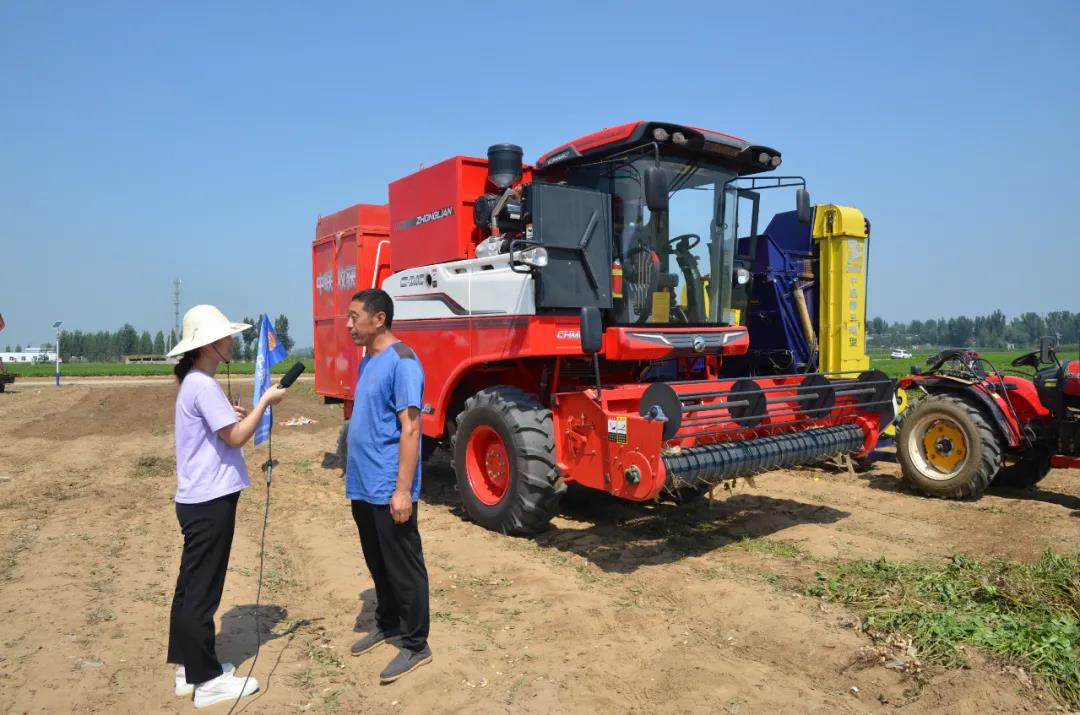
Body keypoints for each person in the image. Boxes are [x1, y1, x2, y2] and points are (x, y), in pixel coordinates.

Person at [165, 305, 288, 708]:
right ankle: (206, 681)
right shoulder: (202, 385)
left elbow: (222, 430)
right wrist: (265, 401)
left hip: (197, 499)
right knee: (202, 593)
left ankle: (186, 667)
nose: (232, 341)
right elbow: (235, 437)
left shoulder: (197, 383)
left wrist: (243, 414)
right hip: (209, 501)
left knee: (189, 589)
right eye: (227, 337)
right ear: (210, 344)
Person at [345, 288, 432, 683]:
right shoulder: (368, 360)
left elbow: (411, 429)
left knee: (403, 566)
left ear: (378, 319)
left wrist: (402, 491)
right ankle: (389, 621)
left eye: (354, 317)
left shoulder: (403, 363)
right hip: (363, 485)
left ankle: (416, 643)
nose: (349, 325)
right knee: (377, 561)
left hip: (387, 485)